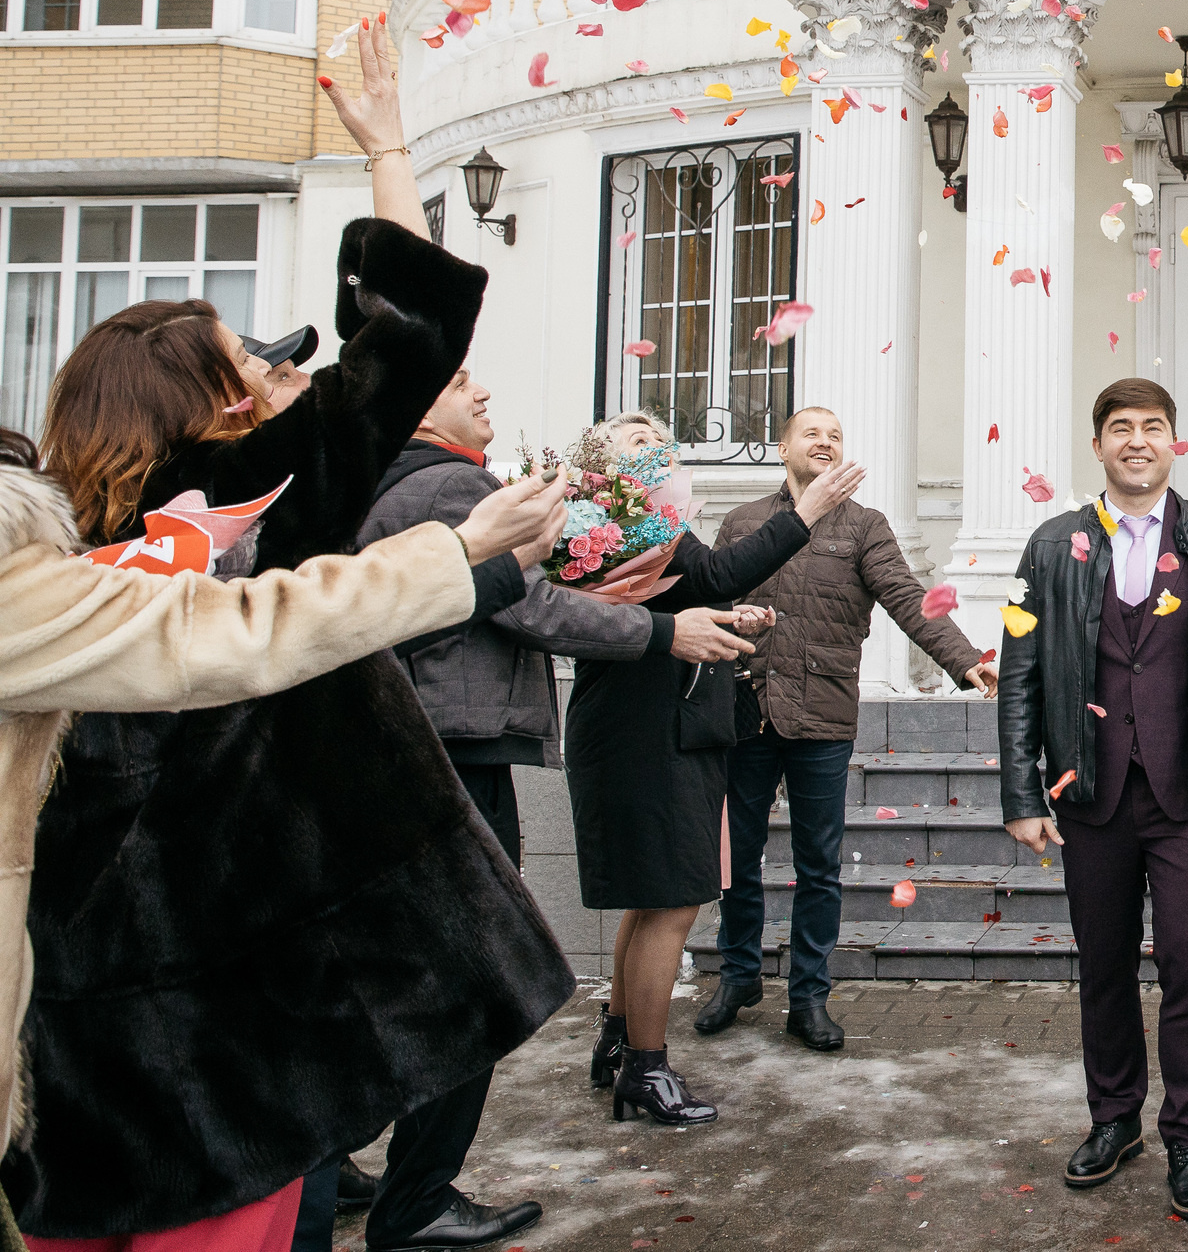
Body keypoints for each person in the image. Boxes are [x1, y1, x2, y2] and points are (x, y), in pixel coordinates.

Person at [7, 17, 584, 1252]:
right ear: (214, 405)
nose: (289, 383)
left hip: (80, 1044)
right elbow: (406, 345)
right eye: (259, 369)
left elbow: (397, 349)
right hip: (239, 1026)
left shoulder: (42, 557)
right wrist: (387, 152)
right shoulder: (237, 509)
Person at [0, 431, 568, 1251]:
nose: (261, 404)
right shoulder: (33, 579)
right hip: (178, 1018)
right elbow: (245, 630)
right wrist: (464, 551)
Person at [348, 365, 756, 1245]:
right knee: (473, 975)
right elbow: (527, 607)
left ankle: (343, 1161)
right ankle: (413, 1197)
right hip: (459, 741)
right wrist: (664, 629)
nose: (483, 391)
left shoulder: (404, 481)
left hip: (435, 736)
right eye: (458, 379)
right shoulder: (450, 486)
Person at [995, 379, 1188, 1223]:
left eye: (1152, 426)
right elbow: (1020, 676)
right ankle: (1114, 1118)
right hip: (1090, 792)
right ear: (1098, 445)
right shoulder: (1051, 544)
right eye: (1119, 427)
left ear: (1174, 441)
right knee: (1103, 965)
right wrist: (1022, 790)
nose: (1136, 440)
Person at [567, 410, 858, 1129]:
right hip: (643, 733)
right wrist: (806, 513)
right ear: (602, 462)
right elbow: (719, 572)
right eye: (638, 440)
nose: (657, 446)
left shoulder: (652, 519)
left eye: (660, 438)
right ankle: (646, 1067)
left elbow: (698, 587)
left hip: (661, 726)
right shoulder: (619, 520)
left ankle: (617, 1041)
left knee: (651, 898)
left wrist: (730, 617)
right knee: (670, 902)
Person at [699, 406, 995, 1052]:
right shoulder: (744, 522)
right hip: (747, 710)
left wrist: (966, 658)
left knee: (818, 865)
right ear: (783, 449)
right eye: (812, 432)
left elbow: (908, 596)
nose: (826, 441)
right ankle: (739, 975)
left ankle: (809, 996)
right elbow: (712, 597)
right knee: (737, 859)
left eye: (835, 434)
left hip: (823, 715)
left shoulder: (864, 525)